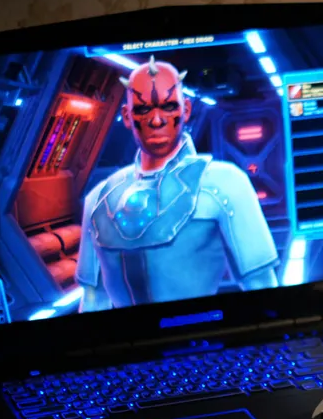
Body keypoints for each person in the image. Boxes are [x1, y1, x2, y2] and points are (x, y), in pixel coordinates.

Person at [76, 56, 279, 312]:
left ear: (186, 110)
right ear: (127, 116)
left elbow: (262, 289)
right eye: (143, 109)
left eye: (169, 107)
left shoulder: (225, 184)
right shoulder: (98, 199)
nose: (157, 120)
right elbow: (93, 299)